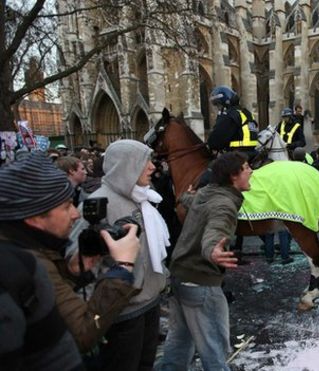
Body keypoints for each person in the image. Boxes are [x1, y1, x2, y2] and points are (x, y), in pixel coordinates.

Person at [0, 152, 141, 363]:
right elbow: (84, 331)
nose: (76, 214)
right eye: (66, 206)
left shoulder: (30, 249)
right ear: (35, 217)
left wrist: (72, 271)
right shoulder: (23, 264)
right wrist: (122, 267)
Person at [160, 152, 251, 371]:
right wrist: (213, 251)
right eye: (246, 167)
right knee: (214, 349)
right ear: (233, 176)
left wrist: (185, 197)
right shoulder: (224, 205)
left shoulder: (207, 193)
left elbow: (196, 203)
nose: (251, 171)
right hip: (200, 284)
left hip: (180, 278)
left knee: (179, 342)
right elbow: (215, 231)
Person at [86, 139, 169, 370]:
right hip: (123, 312)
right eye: (145, 161)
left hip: (149, 302)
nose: (153, 166)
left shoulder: (143, 197)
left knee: (145, 364)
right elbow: (85, 262)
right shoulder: (101, 202)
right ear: (125, 165)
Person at [207, 85, 258, 160]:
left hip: (237, 155)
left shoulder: (230, 116)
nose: (218, 108)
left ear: (225, 103)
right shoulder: (246, 113)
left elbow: (215, 141)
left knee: (210, 170)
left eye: (219, 105)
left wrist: (210, 144)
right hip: (253, 153)